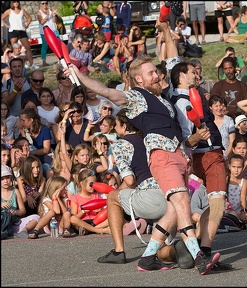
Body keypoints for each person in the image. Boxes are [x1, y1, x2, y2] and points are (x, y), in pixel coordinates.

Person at [63, 19, 220, 275]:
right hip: (162, 156)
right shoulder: (137, 97)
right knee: (181, 201)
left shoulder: (163, 97)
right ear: (138, 79)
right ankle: (199, 255)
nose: (157, 75)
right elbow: (106, 91)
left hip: (178, 156)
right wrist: (78, 75)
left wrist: (166, 29)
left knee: (172, 211)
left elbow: (172, 59)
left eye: (156, 72)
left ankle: (147, 259)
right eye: (151, 73)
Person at [97, 109, 178, 264]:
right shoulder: (151, 140)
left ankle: (118, 251)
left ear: (125, 126)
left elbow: (130, 181)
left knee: (113, 197)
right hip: (171, 199)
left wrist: (120, 192)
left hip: (150, 197)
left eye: (116, 124)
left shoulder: (121, 145)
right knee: (161, 252)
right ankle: (181, 251)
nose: (114, 128)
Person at [170, 61, 228, 271]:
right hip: (207, 154)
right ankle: (204, 254)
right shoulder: (182, 101)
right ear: (181, 76)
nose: (196, 74)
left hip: (207, 155)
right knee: (219, 203)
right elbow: (187, 139)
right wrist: (196, 136)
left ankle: (194, 247)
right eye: (192, 72)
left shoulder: (184, 96)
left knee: (213, 204)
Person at [1, 164, 40, 239]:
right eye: (2, 179)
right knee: (4, 214)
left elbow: (23, 211)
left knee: (36, 217)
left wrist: (15, 212)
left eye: (8, 178)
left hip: (14, 223)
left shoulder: (15, 191)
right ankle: (3, 231)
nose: (5, 181)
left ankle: (24, 230)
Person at [69, 168, 111, 235]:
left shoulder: (96, 195)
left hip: (95, 222)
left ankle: (89, 230)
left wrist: (99, 210)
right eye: (91, 184)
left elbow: (102, 213)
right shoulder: (75, 198)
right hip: (82, 222)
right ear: (82, 184)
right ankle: (99, 230)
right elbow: (74, 217)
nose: (93, 186)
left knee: (112, 217)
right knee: (73, 219)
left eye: (95, 183)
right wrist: (83, 211)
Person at [1, 1, 37, 69]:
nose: (16, 3)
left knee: (27, 47)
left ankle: (31, 64)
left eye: (17, 1)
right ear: (12, 3)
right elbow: (2, 18)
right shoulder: (9, 11)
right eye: (14, 2)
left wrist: (26, 24)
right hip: (13, 31)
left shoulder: (22, 11)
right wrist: (6, 25)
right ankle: (12, 65)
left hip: (21, 30)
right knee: (14, 49)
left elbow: (29, 18)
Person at [226, 154, 247, 224]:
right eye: (234, 167)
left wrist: (243, 211)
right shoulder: (226, 179)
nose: (236, 170)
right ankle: (234, 219)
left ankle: (237, 219)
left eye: (239, 167)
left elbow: (243, 197)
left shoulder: (243, 181)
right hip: (227, 209)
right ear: (229, 166)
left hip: (238, 209)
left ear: (243, 167)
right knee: (233, 214)